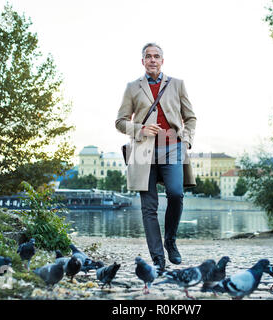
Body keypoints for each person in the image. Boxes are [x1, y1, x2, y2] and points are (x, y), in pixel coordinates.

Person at [115, 43, 197, 272]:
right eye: (148, 56)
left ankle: (170, 240)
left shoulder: (177, 84)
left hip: (172, 146)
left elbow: (190, 118)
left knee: (176, 193)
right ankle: (158, 258)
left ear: (163, 60)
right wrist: (139, 129)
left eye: (156, 56)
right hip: (143, 151)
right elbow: (120, 121)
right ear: (142, 61)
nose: (152, 60)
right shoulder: (132, 87)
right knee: (148, 207)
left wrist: (187, 140)